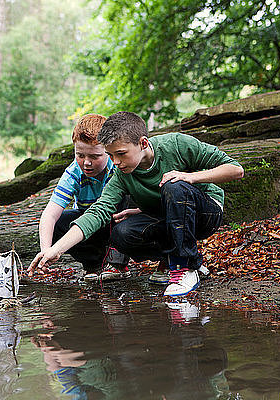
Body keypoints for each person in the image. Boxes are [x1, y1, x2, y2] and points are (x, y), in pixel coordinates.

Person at [29, 111, 244, 296]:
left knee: (174, 184)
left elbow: (236, 170)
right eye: (111, 155)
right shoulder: (122, 174)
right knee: (122, 232)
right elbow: (98, 212)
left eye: (121, 154)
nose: (115, 163)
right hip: (166, 215)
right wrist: (55, 250)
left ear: (143, 143)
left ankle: (183, 268)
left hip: (205, 212)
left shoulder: (177, 145)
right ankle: (193, 263)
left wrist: (191, 177)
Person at [38, 113, 136, 282]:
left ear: (108, 151)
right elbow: (50, 214)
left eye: (94, 156)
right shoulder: (73, 173)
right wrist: (46, 250)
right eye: (80, 155)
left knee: (125, 199)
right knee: (59, 222)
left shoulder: (119, 167)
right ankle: (94, 264)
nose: (86, 163)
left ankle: (118, 263)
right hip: (87, 226)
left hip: (118, 221)